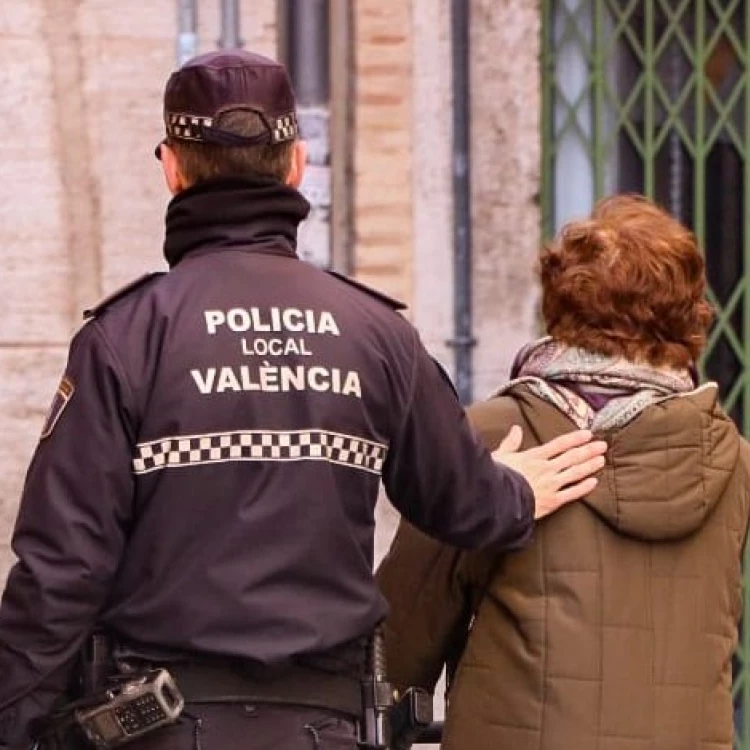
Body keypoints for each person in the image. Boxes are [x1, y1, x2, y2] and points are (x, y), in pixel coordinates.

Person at [0, 50, 606, 750]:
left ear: (172, 167)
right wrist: (516, 492)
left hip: (158, 729)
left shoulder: (126, 337)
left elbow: (61, 571)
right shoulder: (376, 332)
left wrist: (13, 723)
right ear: (295, 164)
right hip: (329, 729)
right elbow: (464, 505)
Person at [378, 194, 750, 750]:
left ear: (559, 302)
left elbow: (399, 644)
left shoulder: (493, 438)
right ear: (689, 316)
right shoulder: (728, 457)